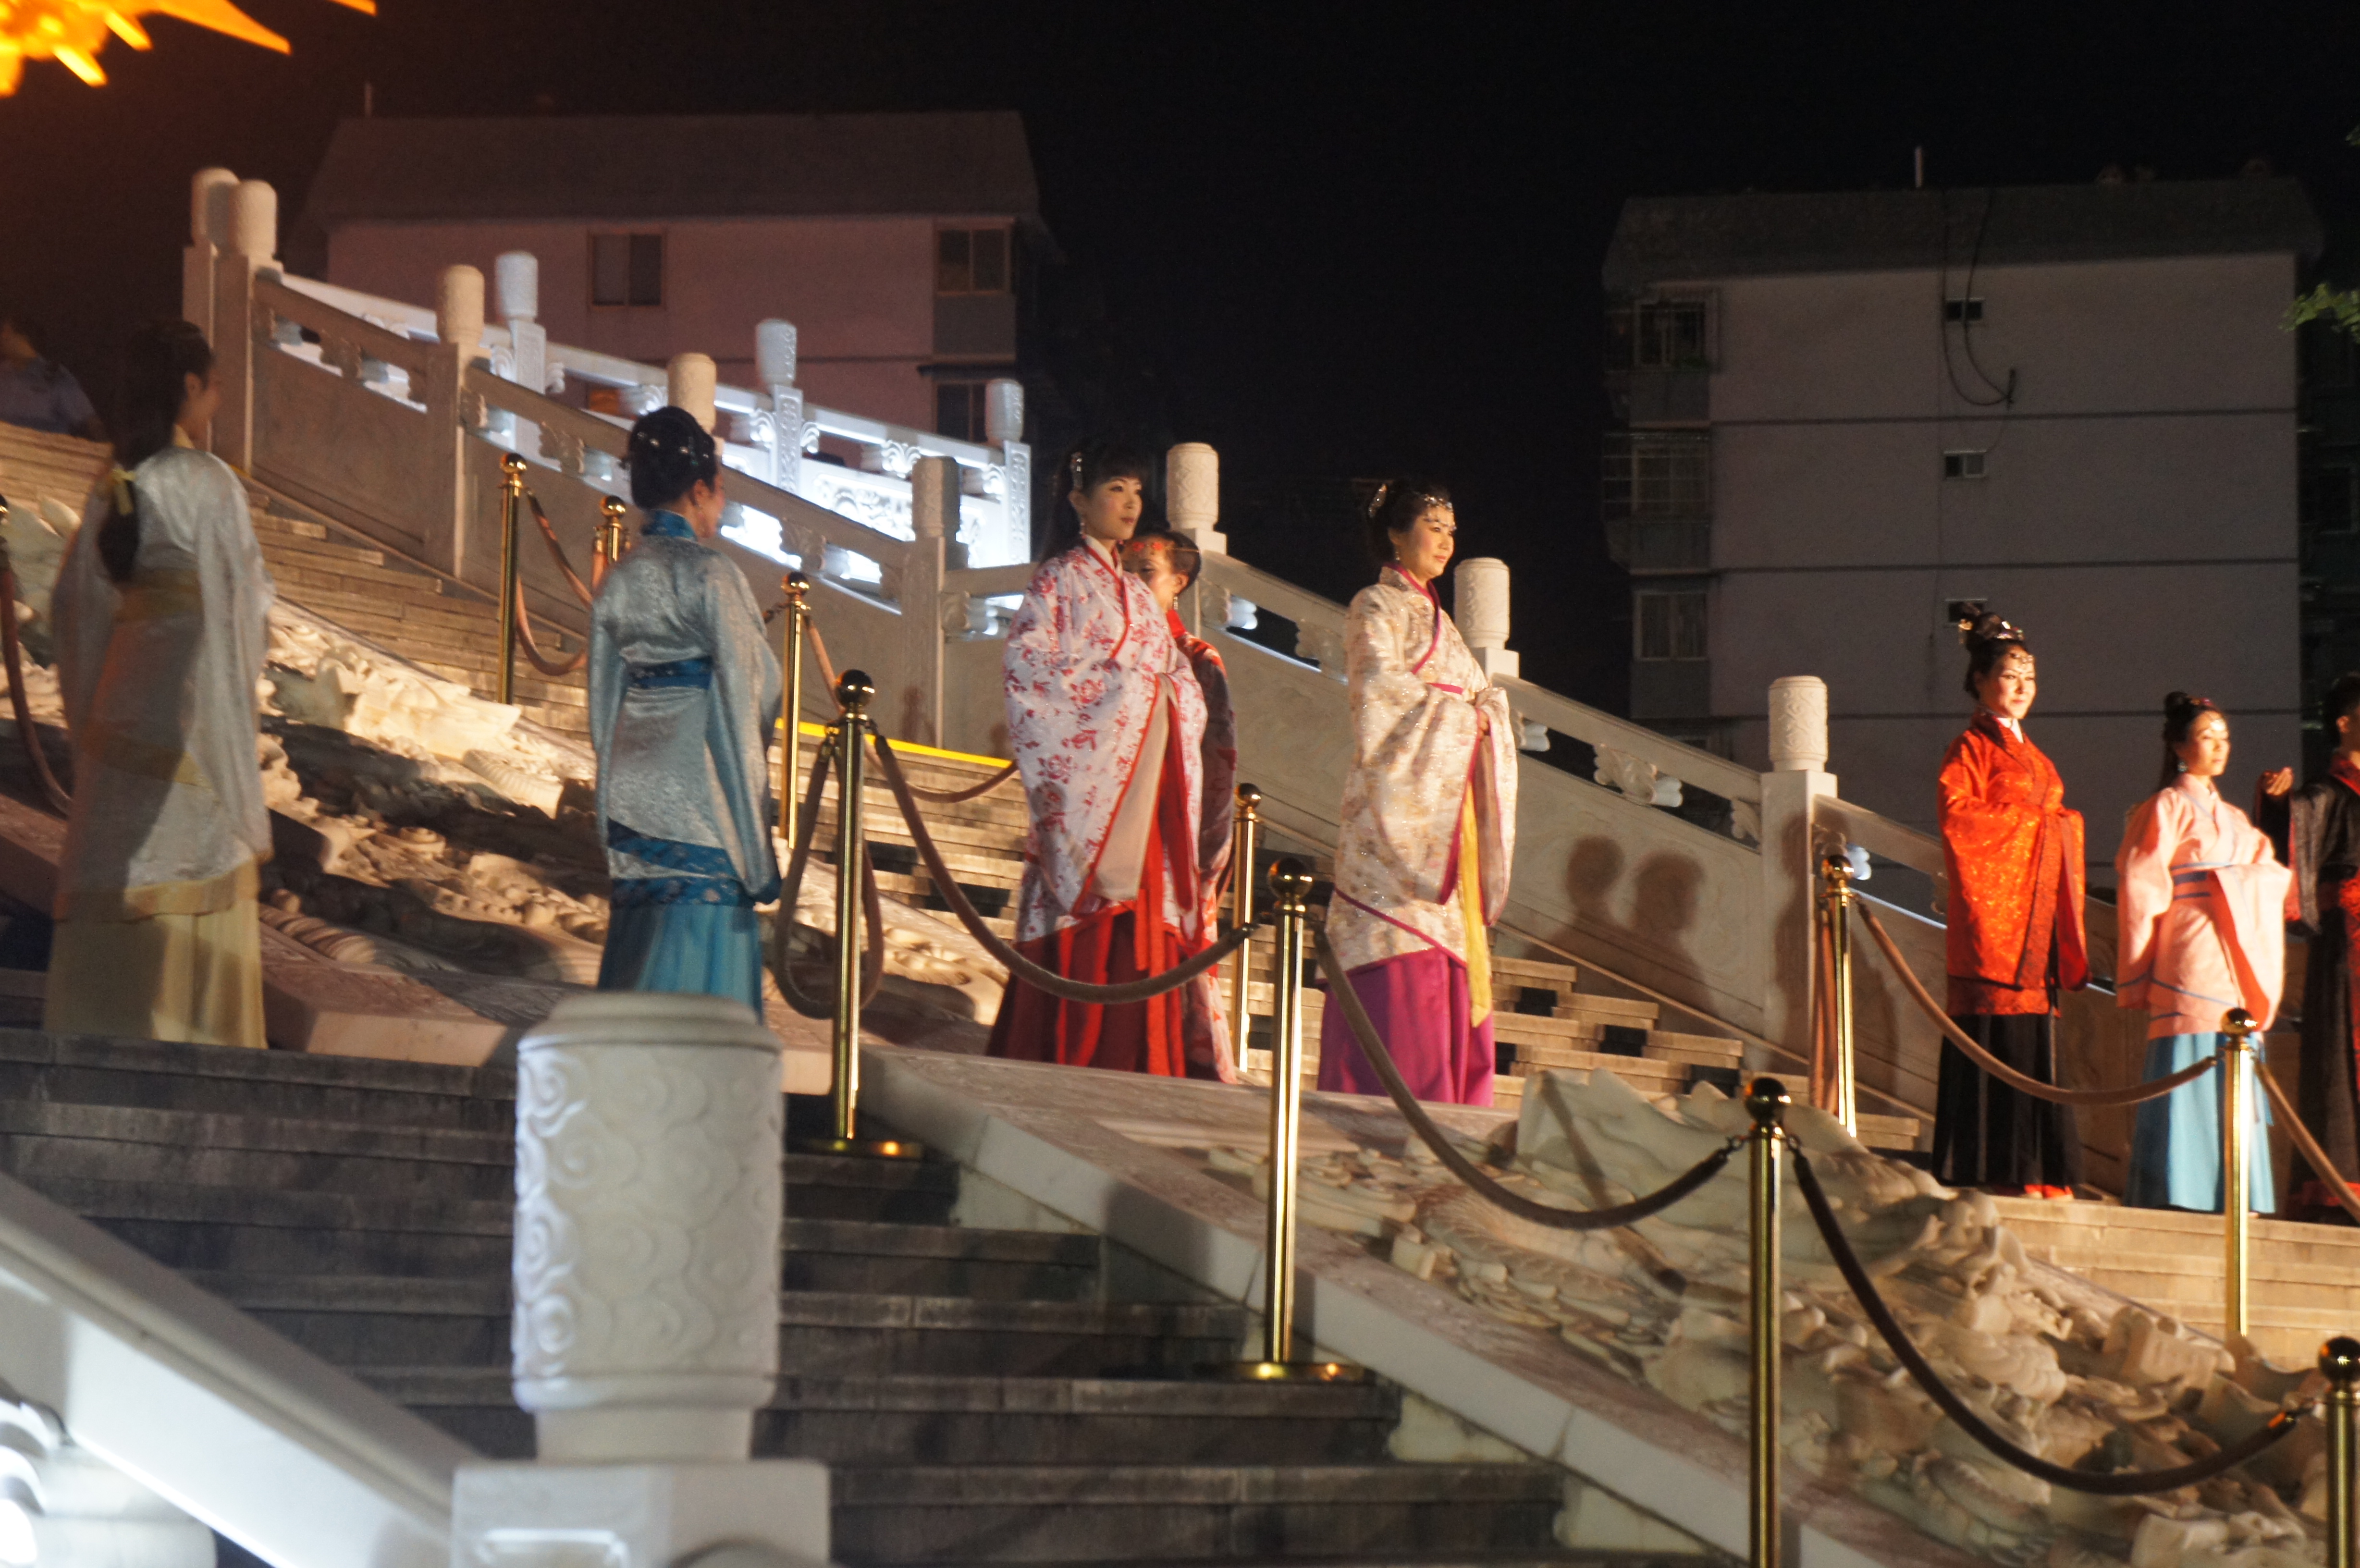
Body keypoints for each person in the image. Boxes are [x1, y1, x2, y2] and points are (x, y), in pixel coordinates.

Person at [44, 319, 270, 1046]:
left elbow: (75, 604)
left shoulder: (116, 479)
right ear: (189, 386)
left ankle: (95, 1026)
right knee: (193, 851)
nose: (218, 398)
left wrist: (89, 706)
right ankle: (189, 1036)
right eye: (214, 384)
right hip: (187, 696)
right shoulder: (206, 479)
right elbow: (242, 600)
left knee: (119, 856)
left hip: (124, 686)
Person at [989, 440, 1208, 1075]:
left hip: (1143, 786)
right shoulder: (1057, 580)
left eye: (1137, 491)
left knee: (1141, 915)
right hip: (1093, 790)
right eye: (1116, 489)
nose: (1131, 503)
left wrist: (1165, 695)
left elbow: (1179, 681)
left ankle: (1140, 1058)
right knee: (1088, 915)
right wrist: (1134, 692)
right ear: (1079, 501)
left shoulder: (1139, 596)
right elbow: (1029, 672)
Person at [1315, 480, 1515, 1106]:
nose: (1447, 541)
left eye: (1452, 530)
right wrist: (1464, 718)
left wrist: (1487, 716)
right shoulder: (1375, 604)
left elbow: (1477, 698)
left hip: (1448, 820)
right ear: (1396, 535)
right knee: (1398, 955)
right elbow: (1379, 695)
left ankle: (1445, 1109)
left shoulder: (1443, 624)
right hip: (1395, 818)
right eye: (1433, 527)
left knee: (1445, 960)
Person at [589, 406, 780, 1018]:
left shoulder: (620, 576)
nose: (721, 505)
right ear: (700, 490)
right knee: (701, 938)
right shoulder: (711, 574)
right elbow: (746, 691)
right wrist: (757, 840)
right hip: (699, 775)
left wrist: (610, 784)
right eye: (720, 491)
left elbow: (601, 696)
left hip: (633, 774)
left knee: (642, 936)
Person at [1931, 613, 2087, 1198]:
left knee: (2035, 1042)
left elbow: (2051, 819)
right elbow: (1958, 818)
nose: (2022, 686)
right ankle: (1999, 1167)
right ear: (1979, 680)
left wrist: (2061, 827)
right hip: (1996, 920)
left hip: (2034, 917)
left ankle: (2041, 1168)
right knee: (1998, 1037)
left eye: (2030, 677)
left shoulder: (2035, 755)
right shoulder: (1970, 748)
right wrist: (2044, 827)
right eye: (2009, 675)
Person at [2116, 693, 2289, 1213]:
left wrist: (2238, 881)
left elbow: (2274, 873)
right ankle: (2178, 1190)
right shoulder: (2166, 806)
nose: (2219, 747)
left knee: (2232, 1052)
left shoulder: (2235, 818)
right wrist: (2139, 967)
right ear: (2178, 746)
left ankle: (2233, 1193)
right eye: (2206, 737)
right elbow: (2141, 885)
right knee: (2189, 1053)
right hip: (2190, 944)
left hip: (2235, 949)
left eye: (2224, 738)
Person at [1121, 528, 1238, 1081]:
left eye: (1146, 574)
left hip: (1173, 828)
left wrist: (1207, 848)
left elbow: (1219, 760)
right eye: (1125, 572)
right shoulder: (1109, 649)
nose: (1132, 584)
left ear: (1179, 583)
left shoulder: (1196, 659)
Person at [2264, 673, 2360, 1220]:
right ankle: (2335, 1188)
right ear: (2344, 723)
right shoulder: (2328, 792)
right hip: (2348, 944)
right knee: (2340, 1057)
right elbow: (2294, 829)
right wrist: (2279, 806)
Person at [0, 315, 105, 441]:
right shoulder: (3, 373)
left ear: (23, 338)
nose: (2, 337)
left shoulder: (55, 377)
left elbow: (90, 422)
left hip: (41, 449)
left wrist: (104, 448)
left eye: (7, 332)